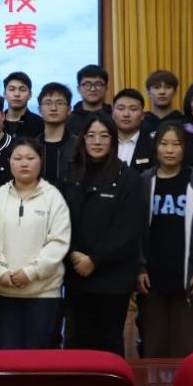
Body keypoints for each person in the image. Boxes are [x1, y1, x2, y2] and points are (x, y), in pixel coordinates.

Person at [62, 114, 147, 356]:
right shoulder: (70, 174)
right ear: (82, 139)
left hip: (112, 279)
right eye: (91, 136)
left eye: (104, 136)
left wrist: (95, 260)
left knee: (108, 344)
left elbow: (128, 229)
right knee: (76, 344)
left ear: (113, 140)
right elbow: (59, 220)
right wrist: (73, 253)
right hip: (76, 275)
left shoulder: (128, 178)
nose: (97, 141)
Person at [137, 121, 193, 357]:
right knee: (154, 346)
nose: (170, 150)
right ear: (156, 147)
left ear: (184, 148)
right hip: (151, 280)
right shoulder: (145, 181)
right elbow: (134, 230)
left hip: (189, 280)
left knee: (185, 348)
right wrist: (139, 268)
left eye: (176, 144)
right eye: (164, 144)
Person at [0, 139, 72, 350]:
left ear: (40, 161)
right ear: (9, 162)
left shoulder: (53, 197)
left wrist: (31, 272)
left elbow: (59, 242)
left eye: (30, 158)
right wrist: (0, 272)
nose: (24, 163)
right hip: (3, 292)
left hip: (43, 294)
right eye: (18, 158)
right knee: (7, 357)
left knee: (38, 358)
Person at [37, 82, 78, 187]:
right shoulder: (32, 146)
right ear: (39, 110)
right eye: (48, 103)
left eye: (60, 103)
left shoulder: (79, 146)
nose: (53, 108)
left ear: (69, 110)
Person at [112, 88, 155, 172]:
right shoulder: (104, 142)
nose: (126, 114)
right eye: (121, 108)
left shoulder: (152, 145)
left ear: (142, 115)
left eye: (133, 109)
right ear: (113, 114)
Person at [68, 64, 110, 135]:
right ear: (79, 89)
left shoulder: (114, 117)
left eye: (98, 84)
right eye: (87, 85)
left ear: (106, 88)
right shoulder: (68, 120)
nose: (93, 89)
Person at [141, 70, 183, 139]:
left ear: (175, 92)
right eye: (156, 87)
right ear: (148, 92)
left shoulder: (184, 122)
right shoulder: (140, 122)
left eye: (167, 87)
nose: (162, 92)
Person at [2, 72, 43, 139]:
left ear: (30, 95)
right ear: (4, 94)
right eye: (12, 89)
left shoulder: (40, 123)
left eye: (22, 90)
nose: (17, 94)